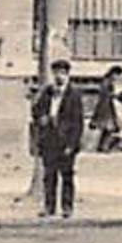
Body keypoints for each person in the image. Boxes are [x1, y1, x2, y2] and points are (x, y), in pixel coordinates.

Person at [31, 59, 85, 218]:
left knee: (67, 175)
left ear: (68, 75)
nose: (59, 76)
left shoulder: (74, 95)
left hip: (66, 141)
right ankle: (49, 207)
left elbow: (78, 122)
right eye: (56, 73)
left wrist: (72, 144)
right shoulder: (47, 92)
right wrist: (41, 117)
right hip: (49, 139)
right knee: (49, 176)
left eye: (62, 73)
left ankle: (67, 207)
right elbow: (36, 111)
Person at [91, 65, 122, 153]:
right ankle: (103, 147)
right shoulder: (107, 82)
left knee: (108, 128)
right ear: (113, 73)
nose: (117, 77)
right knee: (109, 127)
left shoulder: (107, 82)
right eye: (116, 75)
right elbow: (106, 94)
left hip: (107, 106)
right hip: (105, 107)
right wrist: (116, 96)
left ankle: (102, 146)